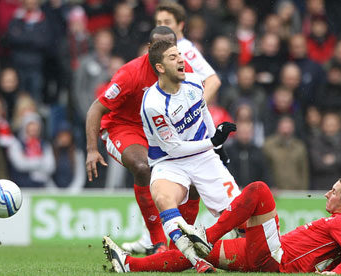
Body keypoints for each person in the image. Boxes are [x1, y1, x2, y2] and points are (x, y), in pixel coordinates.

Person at [104, 175, 341, 274]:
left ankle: (209, 234)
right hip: (264, 256)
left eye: (333, 192)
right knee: (196, 253)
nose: (327, 194)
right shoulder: (337, 223)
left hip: (276, 258)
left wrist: (335, 274)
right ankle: (128, 265)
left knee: (259, 190)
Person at [86, 26, 194, 256]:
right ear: (149, 49)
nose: (166, 51)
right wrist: (91, 150)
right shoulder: (130, 73)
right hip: (123, 128)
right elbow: (96, 109)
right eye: (159, 47)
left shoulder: (185, 71)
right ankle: (157, 242)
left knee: (194, 178)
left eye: (171, 47)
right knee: (143, 167)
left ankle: (182, 242)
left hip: (158, 131)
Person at [139, 39, 240, 272]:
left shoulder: (195, 82)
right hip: (169, 162)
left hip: (204, 157)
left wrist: (217, 146)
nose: (181, 60)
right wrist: (212, 142)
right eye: (173, 57)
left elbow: (203, 112)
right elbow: (173, 148)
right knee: (163, 197)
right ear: (160, 68)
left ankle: (249, 252)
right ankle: (196, 260)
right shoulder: (153, 104)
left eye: (180, 55)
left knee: (240, 217)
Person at [154, 1, 221, 103]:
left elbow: (213, 80)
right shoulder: (162, 48)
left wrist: (196, 110)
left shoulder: (185, 50)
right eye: (159, 22)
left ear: (180, 25)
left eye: (167, 22)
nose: (162, 26)